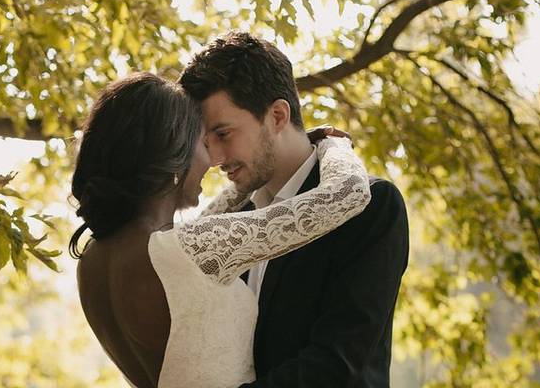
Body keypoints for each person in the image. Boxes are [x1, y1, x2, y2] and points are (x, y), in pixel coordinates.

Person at [71, 72, 371, 387]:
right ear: (174, 153)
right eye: (203, 142)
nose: (213, 159)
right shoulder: (192, 248)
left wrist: (259, 161)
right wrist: (332, 144)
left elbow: (215, 217)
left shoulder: (91, 261)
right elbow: (347, 193)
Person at [179, 31, 409, 387]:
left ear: (277, 116)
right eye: (207, 142)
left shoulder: (371, 207)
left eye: (223, 134)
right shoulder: (227, 223)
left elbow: (334, 366)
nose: (215, 159)